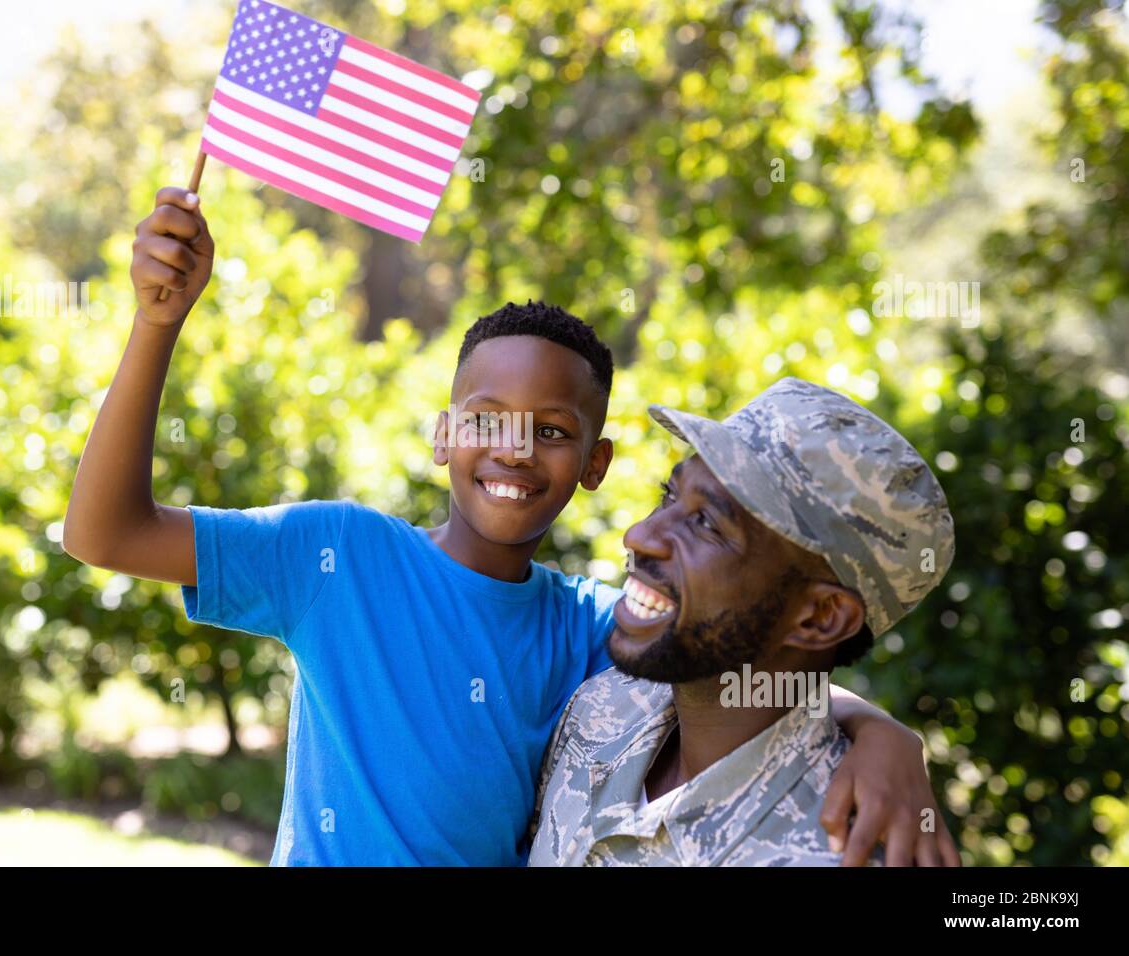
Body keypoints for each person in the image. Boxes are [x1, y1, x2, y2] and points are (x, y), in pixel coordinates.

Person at [64, 188, 951, 865]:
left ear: (594, 467)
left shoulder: (590, 633)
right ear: (444, 434)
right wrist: (156, 324)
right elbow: (103, 533)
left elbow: (745, 668)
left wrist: (880, 734)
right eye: (485, 419)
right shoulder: (336, 554)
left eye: (554, 432)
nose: (515, 450)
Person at [528, 379, 959, 866]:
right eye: (669, 497)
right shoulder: (604, 707)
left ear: (820, 617)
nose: (640, 534)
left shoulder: (835, 851)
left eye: (707, 524)